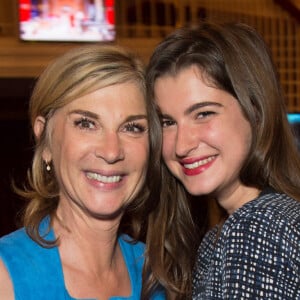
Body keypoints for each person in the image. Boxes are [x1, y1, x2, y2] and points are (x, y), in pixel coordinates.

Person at [146, 21, 300, 299]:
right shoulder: (247, 225)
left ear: (255, 112)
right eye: (167, 121)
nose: (182, 145)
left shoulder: (255, 228)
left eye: (203, 113)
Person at [0, 44, 165, 299]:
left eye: (132, 127)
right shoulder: (6, 275)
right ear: (46, 140)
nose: (111, 151)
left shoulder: (155, 272)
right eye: (86, 123)